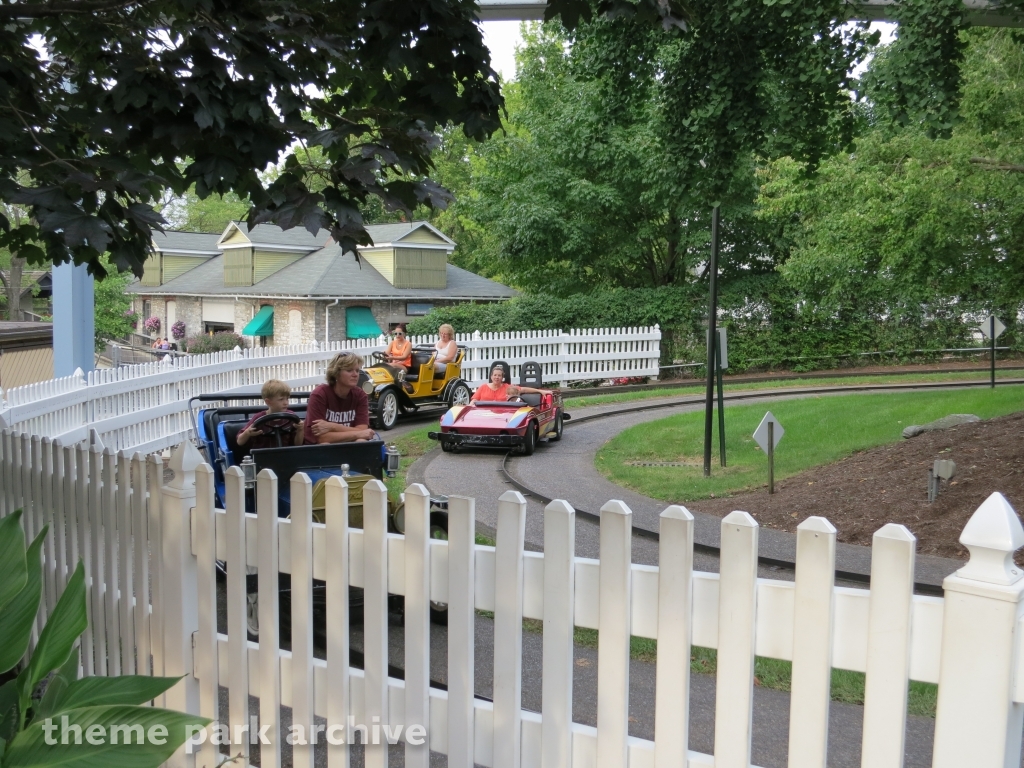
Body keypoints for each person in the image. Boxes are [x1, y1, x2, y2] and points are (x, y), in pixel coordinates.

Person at [304, 352, 375, 444]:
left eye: (357, 370)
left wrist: (332, 427)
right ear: (336, 373)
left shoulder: (360, 395)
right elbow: (322, 438)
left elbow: (363, 431)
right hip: (316, 449)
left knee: (361, 441)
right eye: (349, 370)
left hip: (348, 445)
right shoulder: (320, 394)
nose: (355, 374)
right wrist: (357, 433)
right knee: (325, 444)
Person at [237, 379, 304, 450]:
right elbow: (239, 442)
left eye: (287, 399)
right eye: (281, 399)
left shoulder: (291, 417)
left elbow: (298, 444)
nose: (286, 402)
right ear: (268, 402)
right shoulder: (259, 418)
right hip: (262, 456)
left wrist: (300, 430)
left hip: (286, 455)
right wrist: (247, 433)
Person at [472, 366, 543, 402]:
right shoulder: (483, 387)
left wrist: (541, 391)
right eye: (495, 375)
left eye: (499, 375)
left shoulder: (508, 388)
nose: (497, 377)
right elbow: (474, 401)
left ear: (502, 377)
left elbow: (523, 390)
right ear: (491, 376)